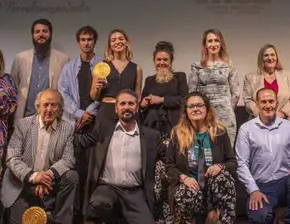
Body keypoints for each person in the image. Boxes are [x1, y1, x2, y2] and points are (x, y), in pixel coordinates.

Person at [76, 89, 163, 224]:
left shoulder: (151, 136)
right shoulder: (103, 129)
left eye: (130, 103)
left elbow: (168, 156)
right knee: (99, 203)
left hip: (135, 193)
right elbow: (81, 141)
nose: (126, 107)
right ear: (116, 109)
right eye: (122, 104)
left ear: (137, 107)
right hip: (107, 188)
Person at [0, 89, 79, 224]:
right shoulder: (23, 125)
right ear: (37, 107)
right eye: (45, 105)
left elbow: (68, 159)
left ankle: (61, 220)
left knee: (72, 176)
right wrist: (35, 177)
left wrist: (47, 175)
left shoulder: (67, 128)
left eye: (54, 105)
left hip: (49, 184)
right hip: (23, 183)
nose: (49, 109)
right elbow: (12, 158)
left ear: (59, 108)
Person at [236, 88, 290, 224]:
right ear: (257, 104)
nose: (268, 105)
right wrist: (253, 191)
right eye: (263, 102)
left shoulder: (289, 127)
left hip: (286, 182)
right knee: (260, 217)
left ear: (276, 103)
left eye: (271, 101)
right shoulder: (246, 129)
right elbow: (241, 164)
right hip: (262, 186)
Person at [166, 92, 237, 224]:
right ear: (186, 111)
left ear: (207, 109)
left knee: (223, 178)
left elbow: (232, 162)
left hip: (214, 189)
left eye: (199, 105)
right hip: (190, 189)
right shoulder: (177, 134)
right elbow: (169, 166)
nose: (195, 109)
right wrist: (183, 177)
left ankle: (221, 219)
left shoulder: (220, 132)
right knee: (185, 193)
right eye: (191, 106)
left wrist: (220, 166)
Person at [139, 41, 188, 223]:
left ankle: (174, 215)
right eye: (158, 60)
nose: (162, 63)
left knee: (172, 173)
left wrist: (161, 99)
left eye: (165, 60)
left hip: (173, 132)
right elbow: (143, 105)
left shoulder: (179, 77)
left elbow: (184, 100)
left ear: (171, 61)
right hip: (152, 132)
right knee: (154, 175)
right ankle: (157, 216)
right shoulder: (149, 80)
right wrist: (142, 104)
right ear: (154, 61)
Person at [57, 25, 102, 219]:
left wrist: (88, 113)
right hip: (74, 125)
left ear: (95, 42)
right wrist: (78, 113)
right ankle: (74, 214)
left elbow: (105, 94)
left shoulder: (103, 65)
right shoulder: (69, 67)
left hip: (95, 124)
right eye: (83, 39)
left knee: (93, 171)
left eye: (90, 39)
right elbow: (62, 93)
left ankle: (89, 214)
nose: (86, 43)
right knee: (75, 170)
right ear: (78, 42)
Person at [10, 19, 69, 122]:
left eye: (45, 31)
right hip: (25, 118)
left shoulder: (63, 59)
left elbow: (66, 90)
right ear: (33, 35)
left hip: (51, 118)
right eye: (37, 32)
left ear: (50, 34)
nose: (41, 34)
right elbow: (12, 88)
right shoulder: (19, 58)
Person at [188, 28, 240, 145]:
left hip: (226, 115)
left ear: (221, 44)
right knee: (204, 151)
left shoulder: (229, 65)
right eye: (210, 41)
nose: (213, 44)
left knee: (225, 150)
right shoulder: (197, 66)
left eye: (216, 40)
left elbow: (236, 93)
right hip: (203, 114)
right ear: (205, 44)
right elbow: (191, 92)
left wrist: (228, 109)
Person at [89, 29, 143, 128]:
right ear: (110, 45)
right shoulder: (101, 67)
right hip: (106, 111)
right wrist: (97, 88)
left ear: (127, 43)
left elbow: (138, 97)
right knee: (105, 143)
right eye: (113, 40)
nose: (117, 42)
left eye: (121, 39)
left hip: (128, 112)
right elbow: (93, 96)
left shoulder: (137, 68)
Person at [243, 44, 290, 121]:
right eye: (266, 55)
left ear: (277, 57)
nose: (270, 58)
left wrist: (282, 113)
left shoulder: (288, 76)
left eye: (272, 55)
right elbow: (247, 100)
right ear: (261, 58)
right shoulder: (250, 77)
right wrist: (262, 114)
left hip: (285, 120)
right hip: (258, 120)